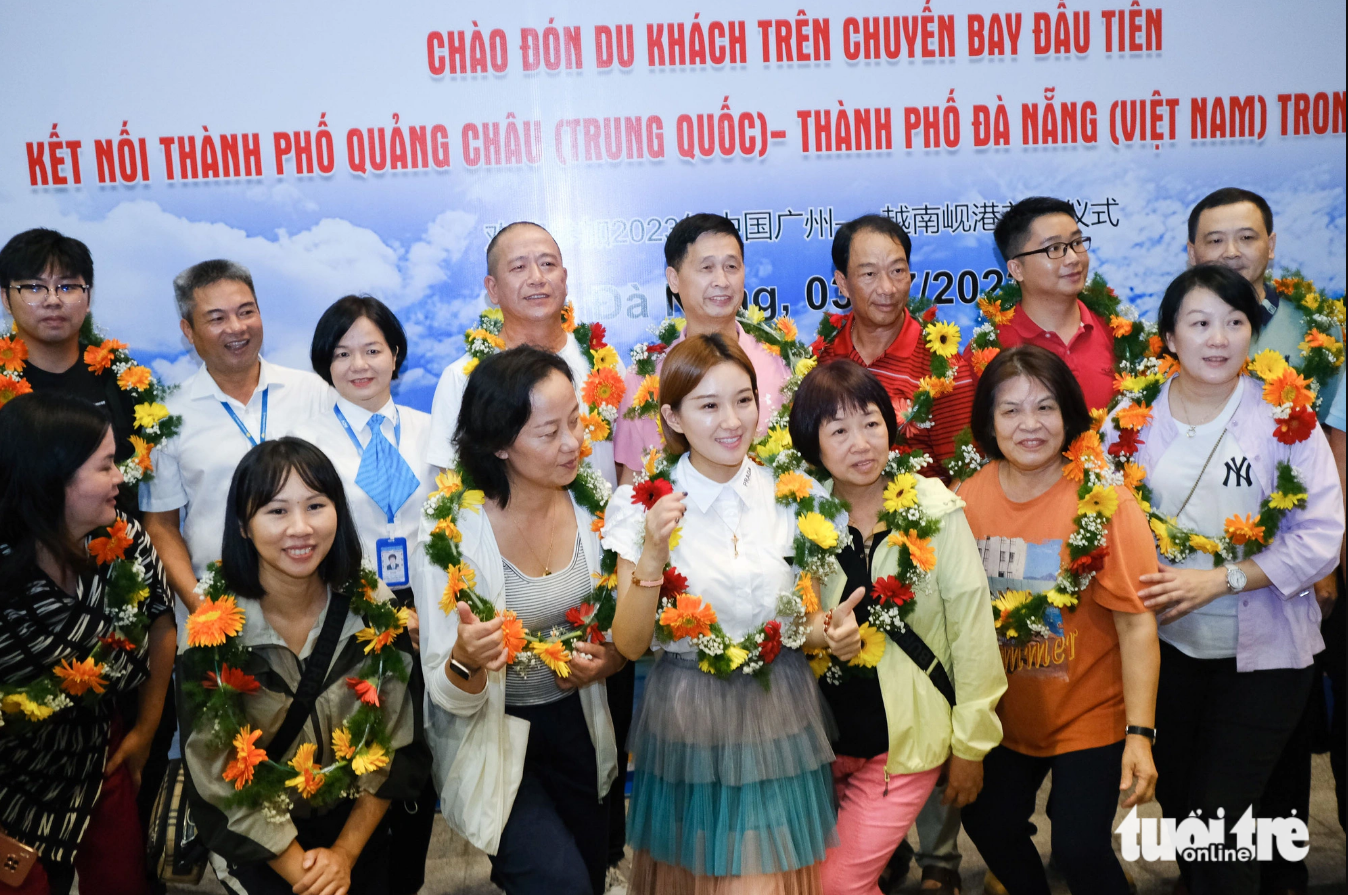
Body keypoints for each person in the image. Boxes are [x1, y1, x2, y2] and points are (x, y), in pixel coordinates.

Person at [1106, 265, 1343, 895]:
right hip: (1168, 652)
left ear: (1252, 333)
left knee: (1222, 823)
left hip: (1266, 656)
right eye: (1200, 323)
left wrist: (1220, 580)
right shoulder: (1130, 418)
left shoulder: (1284, 415)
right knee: (1185, 814)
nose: (1219, 339)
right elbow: (1098, 519)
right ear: (1170, 336)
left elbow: (1321, 536)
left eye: (1235, 322)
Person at [603, 333, 860, 893]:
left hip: (778, 710)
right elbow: (629, 643)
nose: (732, 420)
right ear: (672, 414)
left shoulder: (797, 495)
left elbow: (801, 625)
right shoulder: (642, 503)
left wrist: (833, 632)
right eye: (709, 405)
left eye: (744, 400)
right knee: (695, 882)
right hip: (688, 715)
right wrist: (652, 552)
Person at [787, 361, 1006, 895]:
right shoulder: (798, 517)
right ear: (811, 445)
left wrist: (970, 747)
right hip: (820, 740)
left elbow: (973, 631)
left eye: (871, 423)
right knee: (809, 880)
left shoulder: (934, 509)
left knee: (838, 884)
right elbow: (781, 616)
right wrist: (818, 629)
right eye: (838, 431)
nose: (861, 443)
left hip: (905, 740)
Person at [177, 437, 428, 895]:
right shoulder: (213, 638)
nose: (300, 528)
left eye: (316, 505)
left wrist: (344, 857)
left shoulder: (376, 612)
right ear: (243, 525)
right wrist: (304, 873)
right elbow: (215, 775)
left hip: (358, 832)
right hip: (258, 843)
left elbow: (396, 745)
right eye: (276, 511)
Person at [416, 346, 624, 894]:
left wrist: (613, 657)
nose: (574, 443)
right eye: (549, 431)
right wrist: (468, 659)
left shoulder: (591, 505)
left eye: (576, 421)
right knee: (558, 884)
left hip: (579, 724)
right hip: (497, 735)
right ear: (500, 444)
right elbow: (446, 692)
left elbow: (618, 624)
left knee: (589, 879)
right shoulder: (450, 532)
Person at [1186, 186, 1347, 894]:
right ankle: (1209, 868)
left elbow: (1334, 448)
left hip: (1292, 571)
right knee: (1199, 748)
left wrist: (1325, 558)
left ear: (1272, 245)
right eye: (1214, 240)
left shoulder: (1316, 334)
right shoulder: (1174, 330)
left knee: (1282, 734)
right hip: (1189, 596)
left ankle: (1281, 869)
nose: (1230, 252)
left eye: (1244, 237)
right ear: (1192, 251)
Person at [958, 345, 1160, 895]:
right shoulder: (963, 502)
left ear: (1069, 414)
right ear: (988, 422)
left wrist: (1139, 736)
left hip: (1088, 714)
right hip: (1003, 717)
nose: (1030, 425)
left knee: (1077, 847)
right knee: (988, 822)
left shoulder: (1106, 501)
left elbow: (1138, 625)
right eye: (1011, 411)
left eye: (1045, 408)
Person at [0, 393, 175, 895]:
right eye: (105, 466)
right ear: (52, 477)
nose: (121, 477)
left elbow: (162, 625)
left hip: (101, 753)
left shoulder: (123, 540)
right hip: (11, 781)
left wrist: (144, 730)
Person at [292, 295, 437, 895]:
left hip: (427, 605)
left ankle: (407, 879)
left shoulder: (430, 432)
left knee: (416, 759)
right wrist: (380, 606)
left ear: (396, 354)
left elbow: (450, 524)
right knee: (366, 752)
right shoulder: (305, 440)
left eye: (373, 350)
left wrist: (429, 609)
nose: (360, 365)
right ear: (325, 363)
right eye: (343, 352)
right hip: (349, 611)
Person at [140, 259, 332, 618]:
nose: (237, 328)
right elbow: (160, 524)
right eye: (217, 318)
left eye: (247, 312)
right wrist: (201, 607)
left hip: (317, 606)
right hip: (219, 611)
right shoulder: (166, 415)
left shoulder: (314, 392)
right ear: (188, 329)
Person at [427, 221, 622, 486]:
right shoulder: (462, 378)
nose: (537, 278)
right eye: (519, 267)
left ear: (564, 279)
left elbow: (629, 461)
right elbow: (449, 488)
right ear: (493, 289)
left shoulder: (603, 363)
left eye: (548, 265)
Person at [612, 213, 790, 482]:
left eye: (731, 266)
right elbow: (632, 484)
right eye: (707, 268)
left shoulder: (784, 363)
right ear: (673, 279)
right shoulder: (644, 378)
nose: (722, 280)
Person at [814, 214, 977, 480]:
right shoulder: (823, 355)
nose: (887, 288)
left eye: (897, 271)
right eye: (869, 274)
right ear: (842, 284)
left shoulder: (945, 369)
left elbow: (965, 475)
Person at [0, 229, 139, 516]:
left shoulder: (121, 380)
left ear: (88, 298)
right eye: (35, 287)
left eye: (67, 287)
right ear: (5, 298)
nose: (53, 300)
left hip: (117, 545)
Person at [978, 198, 1116, 411]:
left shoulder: (1118, 334)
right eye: (1054, 248)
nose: (1072, 258)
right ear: (1017, 269)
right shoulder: (989, 349)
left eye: (1077, 243)